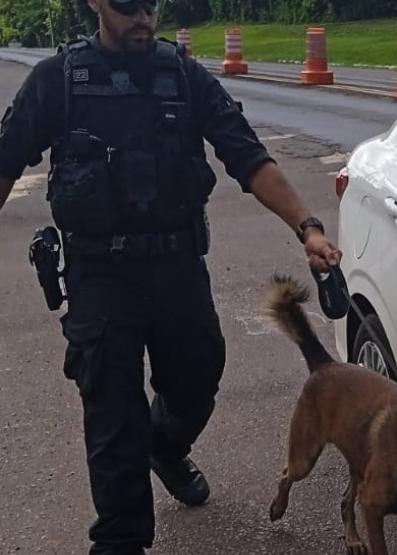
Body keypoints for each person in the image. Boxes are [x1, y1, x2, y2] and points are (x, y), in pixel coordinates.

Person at [0, 0, 341, 552]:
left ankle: (163, 446)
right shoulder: (58, 81)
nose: (143, 16)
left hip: (176, 268)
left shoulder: (180, 75)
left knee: (197, 379)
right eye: (127, 5)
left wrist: (309, 227)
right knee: (113, 417)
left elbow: (248, 156)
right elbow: (5, 161)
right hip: (100, 275)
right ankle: (121, 539)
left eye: (151, 4)